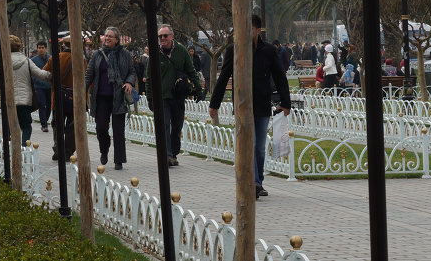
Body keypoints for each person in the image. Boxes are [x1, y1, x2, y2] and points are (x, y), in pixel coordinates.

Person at [210, 15, 291, 199]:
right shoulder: (234, 50)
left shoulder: (268, 50)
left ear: (257, 30)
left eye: (250, 29)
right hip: (242, 106)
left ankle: (258, 181)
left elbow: (280, 76)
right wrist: (214, 103)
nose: (246, 32)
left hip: (262, 104)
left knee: (260, 148)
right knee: (250, 144)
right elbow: (223, 77)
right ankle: (252, 182)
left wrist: (286, 103)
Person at [147, 24, 202, 167]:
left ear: (172, 36)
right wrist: (149, 98)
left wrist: (198, 88)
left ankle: (174, 153)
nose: (162, 39)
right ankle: (167, 155)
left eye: (165, 36)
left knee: (177, 127)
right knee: (164, 126)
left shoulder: (181, 51)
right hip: (162, 97)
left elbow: (191, 71)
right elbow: (149, 78)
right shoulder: (155, 53)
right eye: (160, 36)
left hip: (178, 96)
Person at [85, 27, 136, 170]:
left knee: (119, 131)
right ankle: (104, 149)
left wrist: (129, 82)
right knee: (101, 128)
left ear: (117, 40)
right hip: (101, 98)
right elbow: (89, 74)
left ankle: (118, 160)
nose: (107, 38)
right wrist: (81, 90)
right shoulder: (97, 54)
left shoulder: (125, 54)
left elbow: (132, 71)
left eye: (110, 37)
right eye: (106, 36)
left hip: (118, 96)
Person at [0, 35, 51, 145]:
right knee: (26, 126)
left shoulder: (1, 62)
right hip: (24, 100)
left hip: (7, 100)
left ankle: (11, 149)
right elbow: (40, 74)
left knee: (9, 127)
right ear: (19, 47)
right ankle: (23, 148)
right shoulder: (26, 61)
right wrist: (52, 74)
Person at [43, 36, 75, 162]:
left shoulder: (54, 58)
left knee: (57, 125)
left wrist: (54, 80)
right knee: (72, 126)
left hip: (58, 96)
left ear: (63, 45)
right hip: (74, 98)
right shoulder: (79, 58)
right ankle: (68, 152)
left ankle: (58, 149)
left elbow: (45, 73)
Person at [31, 41, 51, 133]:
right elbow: (32, 75)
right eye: (39, 48)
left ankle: (45, 120)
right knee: (42, 104)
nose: (41, 49)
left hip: (50, 86)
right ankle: (44, 124)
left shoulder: (50, 58)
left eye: (43, 47)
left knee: (50, 105)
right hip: (39, 86)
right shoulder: (33, 60)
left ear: (46, 48)